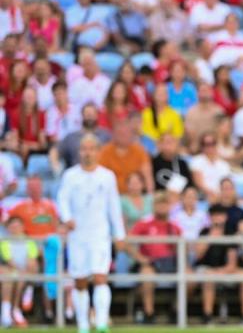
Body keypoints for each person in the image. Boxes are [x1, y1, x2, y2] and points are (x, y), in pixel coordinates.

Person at [57, 133, 126, 333]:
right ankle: (83, 325)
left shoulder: (107, 176)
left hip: (100, 235)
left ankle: (102, 322)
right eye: (84, 149)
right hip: (78, 236)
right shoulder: (70, 176)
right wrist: (67, 217)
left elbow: (114, 206)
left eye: (91, 149)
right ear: (80, 152)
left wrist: (119, 234)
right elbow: (62, 199)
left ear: (98, 151)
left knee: (100, 276)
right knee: (80, 280)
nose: (87, 153)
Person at [127, 192, 182, 324]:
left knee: (189, 276)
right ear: (153, 206)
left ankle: (176, 310)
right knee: (147, 275)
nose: (162, 207)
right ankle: (149, 313)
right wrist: (140, 258)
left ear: (169, 206)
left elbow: (182, 248)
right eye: (159, 203)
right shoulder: (145, 223)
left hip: (170, 263)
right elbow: (126, 242)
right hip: (150, 263)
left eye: (164, 203)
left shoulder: (174, 226)